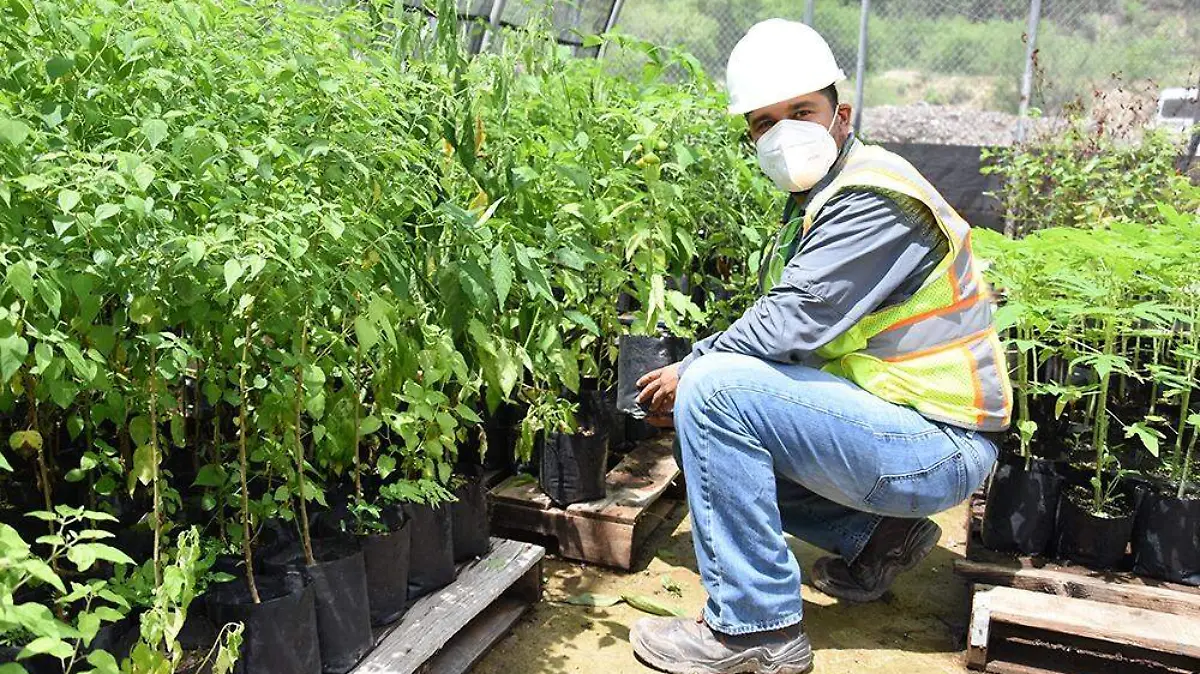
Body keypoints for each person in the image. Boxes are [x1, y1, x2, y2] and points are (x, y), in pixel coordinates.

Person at [628, 19, 1013, 674]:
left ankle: (753, 629)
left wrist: (693, 367)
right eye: (762, 122)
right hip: (902, 429)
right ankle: (877, 536)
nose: (782, 133)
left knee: (716, 391)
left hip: (938, 445)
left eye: (800, 111)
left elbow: (792, 321)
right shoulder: (824, 195)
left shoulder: (873, 196)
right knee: (709, 438)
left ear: (842, 113)